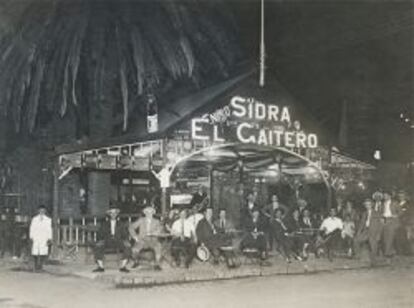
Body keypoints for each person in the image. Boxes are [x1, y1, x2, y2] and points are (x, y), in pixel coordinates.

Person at [92, 205, 130, 273]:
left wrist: (126, 240)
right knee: (98, 247)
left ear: (117, 214)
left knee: (128, 247)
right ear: (109, 215)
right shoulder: (104, 224)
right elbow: (100, 234)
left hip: (118, 240)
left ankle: (123, 266)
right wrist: (100, 240)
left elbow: (125, 234)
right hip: (107, 240)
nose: (113, 215)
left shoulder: (121, 224)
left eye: (115, 213)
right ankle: (100, 267)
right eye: (111, 213)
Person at [129, 206, 163, 270]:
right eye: (147, 212)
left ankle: (157, 264)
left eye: (151, 212)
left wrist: (156, 232)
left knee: (158, 246)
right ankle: (136, 263)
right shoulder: (141, 220)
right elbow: (131, 227)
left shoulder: (156, 221)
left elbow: (160, 229)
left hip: (153, 240)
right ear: (145, 213)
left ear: (153, 213)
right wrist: (135, 237)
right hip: (142, 240)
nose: (149, 214)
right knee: (134, 249)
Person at [354, 198, 384, 265]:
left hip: (373, 232)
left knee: (373, 247)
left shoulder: (377, 213)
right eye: (366, 205)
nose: (367, 206)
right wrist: (358, 232)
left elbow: (381, 225)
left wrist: (378, 234)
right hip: (366, 231)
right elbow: (361, 224)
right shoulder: (364, 213)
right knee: (356, 240)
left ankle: (373, 262)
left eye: (369, 204)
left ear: (372, 205)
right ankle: (359, 256)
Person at [29, 205, 52, 272]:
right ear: (38, 211)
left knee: (43, 252)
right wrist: (31, 236)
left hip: (44, 237)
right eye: (40, 210)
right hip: (36, 236)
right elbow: (32, 228)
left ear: (45, 211)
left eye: (43, 210)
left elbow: (49, 229)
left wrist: (49, 238)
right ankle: (35, 266)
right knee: (35, 251)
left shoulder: (48, 220)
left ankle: (40, 266)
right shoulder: (34, 219)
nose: (42, 211)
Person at [381, 191, 400, 260]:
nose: (384, 197)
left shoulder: (395, 203)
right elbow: (381, 212)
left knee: (390, 237)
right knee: (385, 237)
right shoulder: (383, 204)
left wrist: (396, 215)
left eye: (386, 195)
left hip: (392, 221)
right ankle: (392, 252)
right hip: (385, 221)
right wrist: (382, 218)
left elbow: (400, 212)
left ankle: (387, 253)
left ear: (390, 196)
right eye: (384, 195)